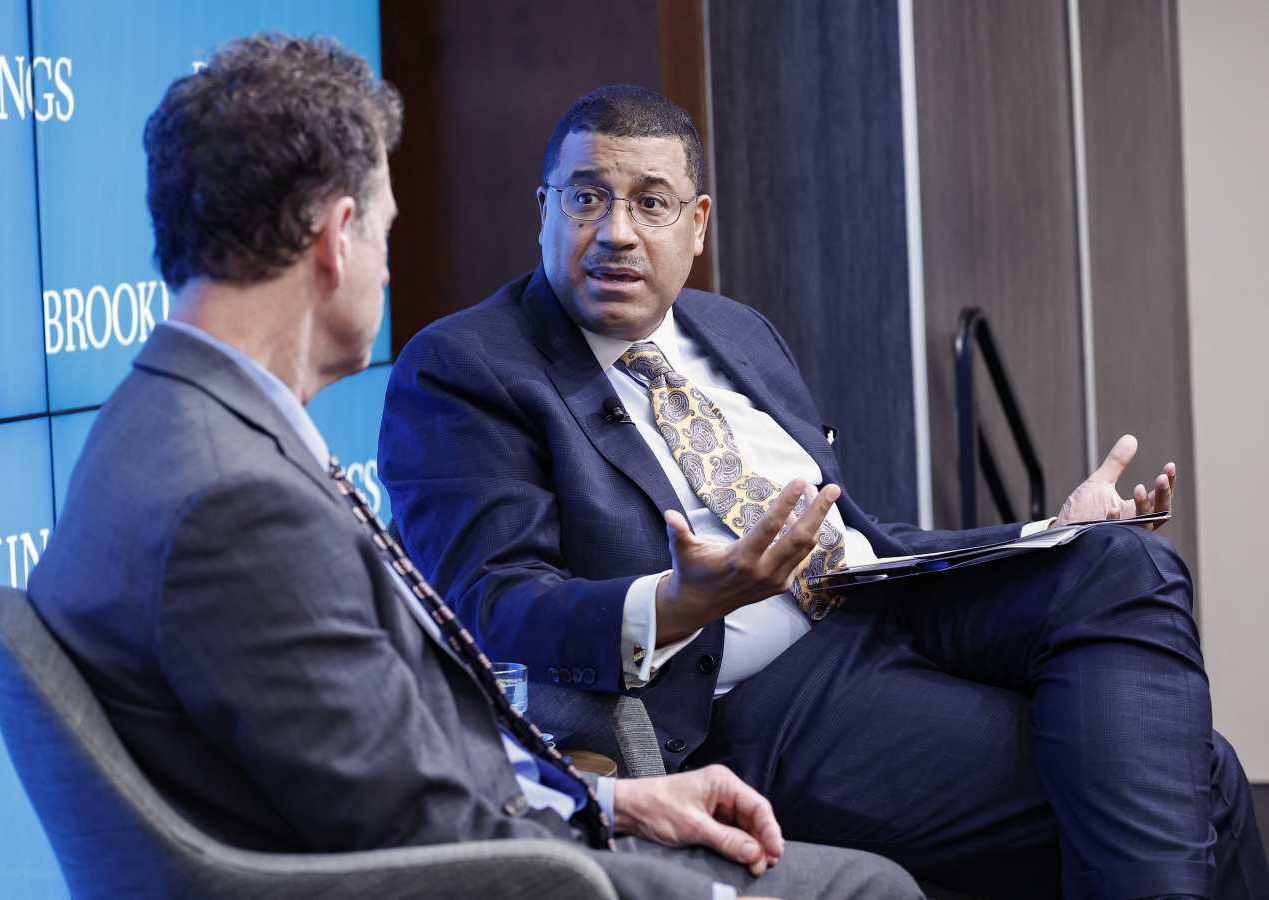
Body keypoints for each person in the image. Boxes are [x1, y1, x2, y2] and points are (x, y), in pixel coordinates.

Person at [25, 37, 919, 900]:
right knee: (866, 888)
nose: (386, 264)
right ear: (340, 237)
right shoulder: (236, 503)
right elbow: (420, 833)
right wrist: (648, 864)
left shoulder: (160, 424)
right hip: (497, 874)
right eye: (385, 231)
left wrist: (612, 798)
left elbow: (389, 767)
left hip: (494, 826)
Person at [378, 85, 1269, 899]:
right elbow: (487, 608)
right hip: (752, 701)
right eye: (586, 197)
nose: (616, 230)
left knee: (1123, 561)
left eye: (651, 202)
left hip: (877, 607)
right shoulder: (467, 367)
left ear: (697, 224)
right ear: (543, 211)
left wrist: (1044, 535)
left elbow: (851, 532)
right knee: (1203, 775)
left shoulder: (733, 328)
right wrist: (676, 603)